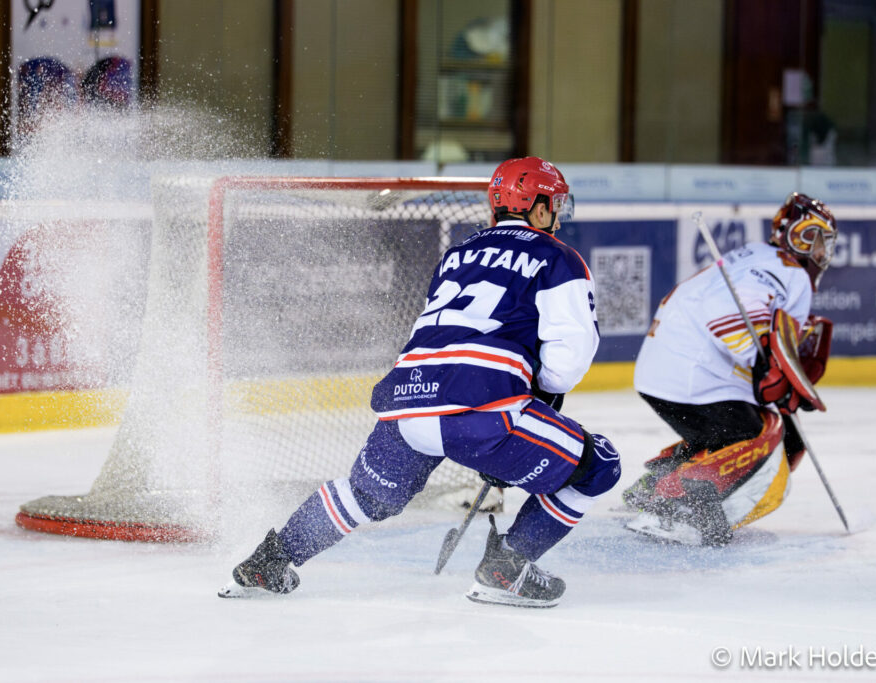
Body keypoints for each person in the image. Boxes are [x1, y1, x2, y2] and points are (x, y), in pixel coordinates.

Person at [220, 157, 622, 608]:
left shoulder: (457, 254)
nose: (558, 216)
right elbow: (569, 357)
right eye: (555, 204)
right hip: (484, 407)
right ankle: (506, 569)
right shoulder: (558, 256)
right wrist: (534, 400)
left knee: (365, 495)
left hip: (409, 397)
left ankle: (270, 559)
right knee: (600, 466)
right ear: (538, 206)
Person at [623, 193, 837, 546]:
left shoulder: (758, 254)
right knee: (765, 437)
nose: (817, 249)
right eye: (810, 236)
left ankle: (657, 483)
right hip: (693, 377)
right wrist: (764, 359)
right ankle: (676, 504)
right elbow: (727, 308)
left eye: (823, 241)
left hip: (666, 373)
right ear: (787, 234)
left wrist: (770, 362)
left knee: (748, 433)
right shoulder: (790, 271)